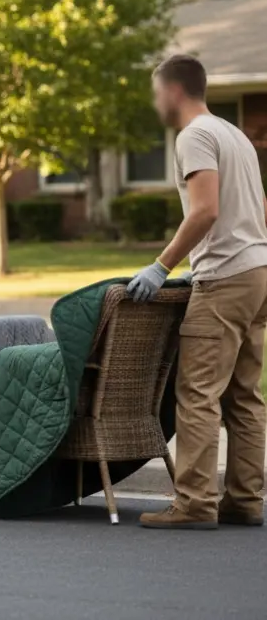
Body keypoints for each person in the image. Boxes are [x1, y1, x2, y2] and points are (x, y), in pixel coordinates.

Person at [128, 55, 267, 530]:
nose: (154, 103)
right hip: (257, 273)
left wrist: (161, 266)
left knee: (198, 393)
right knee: (244, 395)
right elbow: (260, 206)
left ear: (173, 90)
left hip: (226, 279)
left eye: (155, 93)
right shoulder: (235, 136)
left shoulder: (194, 136)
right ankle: (245, 500)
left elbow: (205, 210)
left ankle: (195, 503)